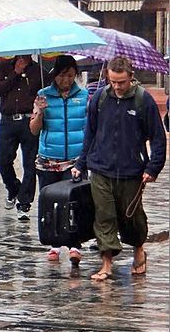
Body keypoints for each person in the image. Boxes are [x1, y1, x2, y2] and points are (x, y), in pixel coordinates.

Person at [72, 56, 166, 281]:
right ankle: (106, 263)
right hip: (101, 168)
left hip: (131, 170)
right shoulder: (100, 99)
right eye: (113, 81)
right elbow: (90, 134)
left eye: (121, 82)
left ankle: (138, 249)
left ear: (131, 78)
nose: (116, 86)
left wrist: (153, 168)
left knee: (131, 217)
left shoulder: (144, 101)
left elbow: (158, 137)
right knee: (104, 215)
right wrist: (81, 163)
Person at [29, 54, 87, 265]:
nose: (67, 80)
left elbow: (89, 127)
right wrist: (40, 113)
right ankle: (54, 243)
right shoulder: (42, 96)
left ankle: (74, 244)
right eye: (63, 75)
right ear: (55, 75)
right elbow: (34, 130)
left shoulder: (83, 96)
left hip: (75, 159)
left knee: (74, 202)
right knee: (51, 202)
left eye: (71, 76)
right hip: (48, 159)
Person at [0, 54, 47, 220]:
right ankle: (14, 188)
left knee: (30, 163)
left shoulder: (38, 70)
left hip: (29, 120)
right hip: (8, 120)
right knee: (3, 160)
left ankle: (24, 203)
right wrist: (15, 72)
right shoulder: (3, 67)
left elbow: (46, 90)